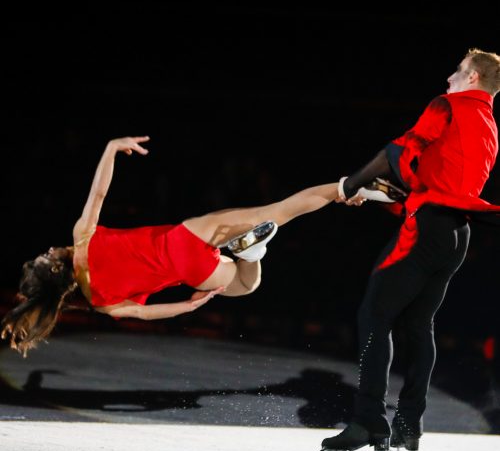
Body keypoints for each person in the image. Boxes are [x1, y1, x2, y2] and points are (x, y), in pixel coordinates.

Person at [1, 136, 340, 357]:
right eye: (45, 256)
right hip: (184, 235)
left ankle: (250, 252)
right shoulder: (82, 238)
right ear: (56, 266)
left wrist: (189, 306)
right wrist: (111, 149)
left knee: (246, 284)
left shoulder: (100, 304)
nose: (47, 249)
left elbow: (146, 313)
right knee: (276, 212)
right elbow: (99, 194)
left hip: (188, 270)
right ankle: (346, 188)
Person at [320, 48, 500, 451]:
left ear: (473, 77)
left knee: (374, 316)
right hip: (458, 235)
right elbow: (443, 178)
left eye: (457, 70)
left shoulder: (447, 105)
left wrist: (350, 186)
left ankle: (367, 422)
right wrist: (391, 192)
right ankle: (408, 429)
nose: (449, 77)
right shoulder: (489, 123)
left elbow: (399, 150)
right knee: (419, 325)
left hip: (426, 229)